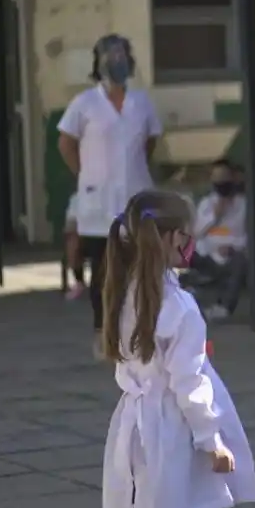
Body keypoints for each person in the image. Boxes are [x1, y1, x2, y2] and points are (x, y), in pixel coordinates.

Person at [100, 190, 255, 508]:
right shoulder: (179, 306)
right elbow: (189, 379)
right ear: (171, 238)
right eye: (187, 234)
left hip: (134, 421)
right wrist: (210, 439)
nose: (192, 242)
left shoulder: (125, 292)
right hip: (170, 426)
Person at [58, 34, 163, 357]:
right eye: (110, 55)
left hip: (134, 194)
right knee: (103, 270)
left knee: (138, 267)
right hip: (97, 200)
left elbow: (149, 142)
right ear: (99, 62)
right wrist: (86, 174)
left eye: (122, 54)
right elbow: (66, 143)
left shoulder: (141, 101)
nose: (117, 61)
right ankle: (103, 331)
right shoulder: (85, 103)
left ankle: (137, 331)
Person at [185, 159, 249, 321]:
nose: (221, 183)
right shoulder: (207, 204)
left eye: (225, 178)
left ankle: (224, 307)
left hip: (231, 256)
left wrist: (231, 247)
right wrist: (215, 215)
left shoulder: (242, 205)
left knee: (240, 262)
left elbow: (245, 235)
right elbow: (196, 233)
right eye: (217, 178)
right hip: (207, 256)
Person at [64, 191, 86, 300]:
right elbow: (71, 221)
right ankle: (79, 282)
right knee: (73, 241)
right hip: (84, 235)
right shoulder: (76, 198)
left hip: (105, 234)